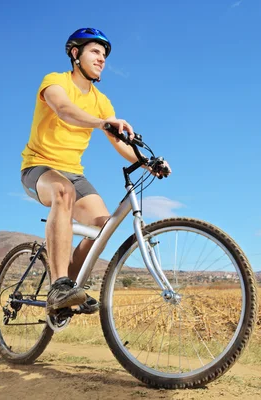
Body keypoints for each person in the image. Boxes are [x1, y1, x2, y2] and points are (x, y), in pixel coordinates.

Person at [20, 28, 171, 316]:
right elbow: (64, 109)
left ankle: (69, 289)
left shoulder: (102, 101)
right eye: (95, 52)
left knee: (104, 225)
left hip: (73, 173)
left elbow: (120, 142)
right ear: (75, 54)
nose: (101, 59)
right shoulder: (55, 82)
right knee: (62, 191)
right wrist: (102, 123)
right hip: (39, 167)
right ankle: (58, 285)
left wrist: (147, 161)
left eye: (104, 55)